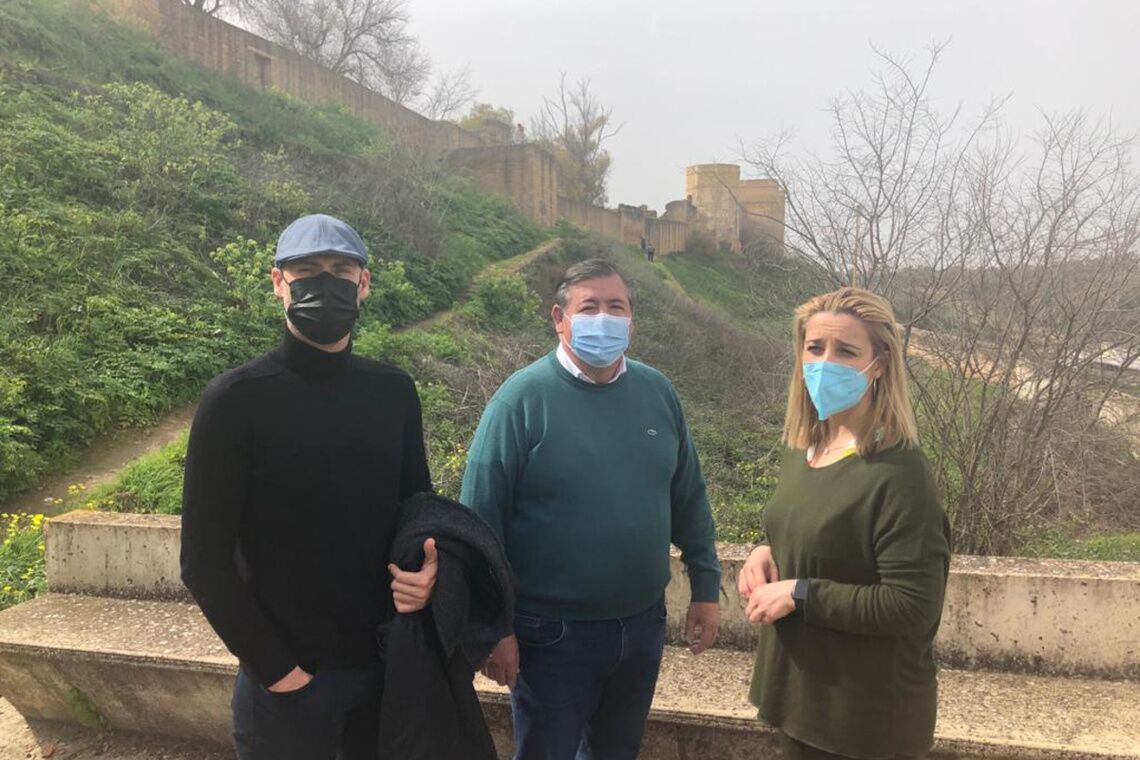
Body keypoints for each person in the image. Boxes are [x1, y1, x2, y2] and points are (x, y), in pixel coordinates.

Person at [180, 213, 438, 760]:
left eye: (341, 269)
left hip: (383, 668)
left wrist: (429, 571)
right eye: (307, 269)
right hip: (289, 687)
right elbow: (203, 561)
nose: (326, 282)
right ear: (279, 283)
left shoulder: (393, 391)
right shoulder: (235, 400)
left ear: (364, 284)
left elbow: (418, 510)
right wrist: (281, 675)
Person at [461, 258, 722, 760]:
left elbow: (689, 496)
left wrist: (706, 589)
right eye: (589, 307)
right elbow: (479, 522)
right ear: (559, 318)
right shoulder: (520, 401)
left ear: (631, 321)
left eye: (615, 307)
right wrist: (492, 626)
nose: (604, 318)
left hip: (643, 626)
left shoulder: (657, 393)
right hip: (551, 636)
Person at [739, 287, 951, 760]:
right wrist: (763, 548)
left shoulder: (899, 473)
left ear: (879, 364)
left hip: (861, 722)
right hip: (801, 700)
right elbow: (799, 521)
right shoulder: (807, 448)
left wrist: (799, 593)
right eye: (814, 348)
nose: (824, 362)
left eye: (846, 350)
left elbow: (911, 606)